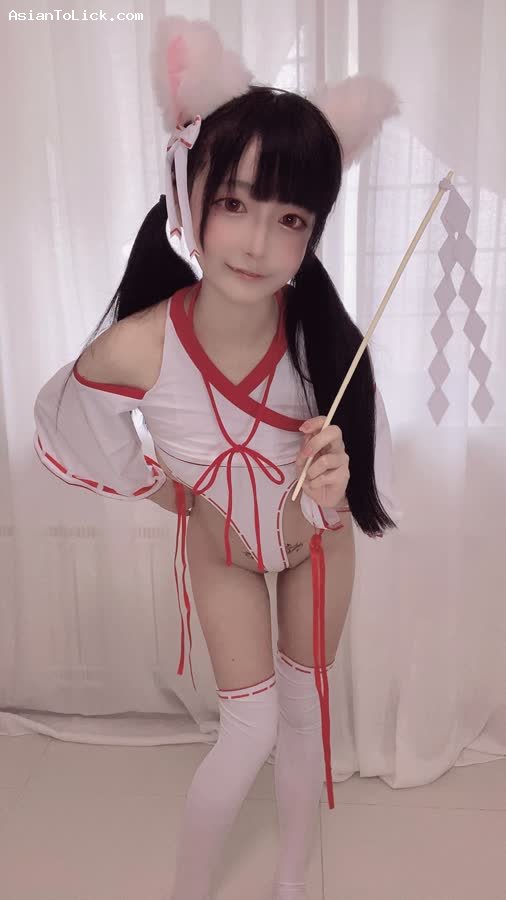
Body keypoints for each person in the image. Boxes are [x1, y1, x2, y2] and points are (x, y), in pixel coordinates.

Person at [33, 19, 402, 900]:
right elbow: (73, 425)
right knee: (247, 730)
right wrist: (165, 492)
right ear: (185, 190)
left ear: (312, 232)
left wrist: (335, 479)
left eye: (290, 218)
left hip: (316, 545)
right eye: (234, 203)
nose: (256, 242)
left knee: (305, 714)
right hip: (223, 551)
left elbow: (354, 458)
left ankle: (290, 878)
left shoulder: (324, 339)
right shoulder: (135, 346)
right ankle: (190, 888)